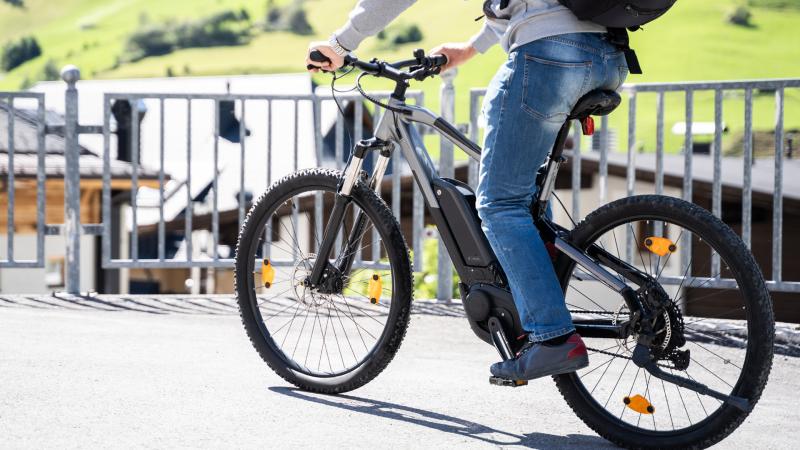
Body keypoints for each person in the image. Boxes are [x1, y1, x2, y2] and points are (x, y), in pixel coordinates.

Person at [307, 0, 628, 381]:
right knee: (523, 202)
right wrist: (470, 49)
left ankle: (553, 337)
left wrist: (340, 43)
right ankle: (532, 300)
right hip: (608, 56)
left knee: (500, 205)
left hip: (549, 55)